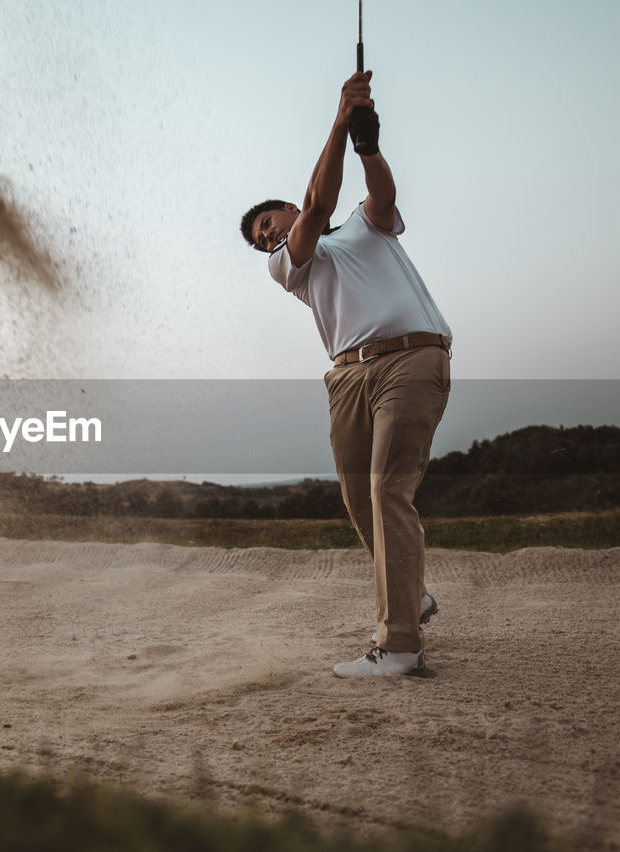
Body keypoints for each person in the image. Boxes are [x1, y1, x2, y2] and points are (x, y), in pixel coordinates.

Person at [240, 71, 452, 677]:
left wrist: (366, 146)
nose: (269, 234)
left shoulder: (365, 224)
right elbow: (318, 205)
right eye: (261, 238)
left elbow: (380, 196)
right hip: (347, 379)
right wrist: (338, 120)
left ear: (284, 205)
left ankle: (401, 645)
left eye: (269, 221)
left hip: (411, 359)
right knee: (361, 501)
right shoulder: (291, 265)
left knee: (387, 489)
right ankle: (412, 597)